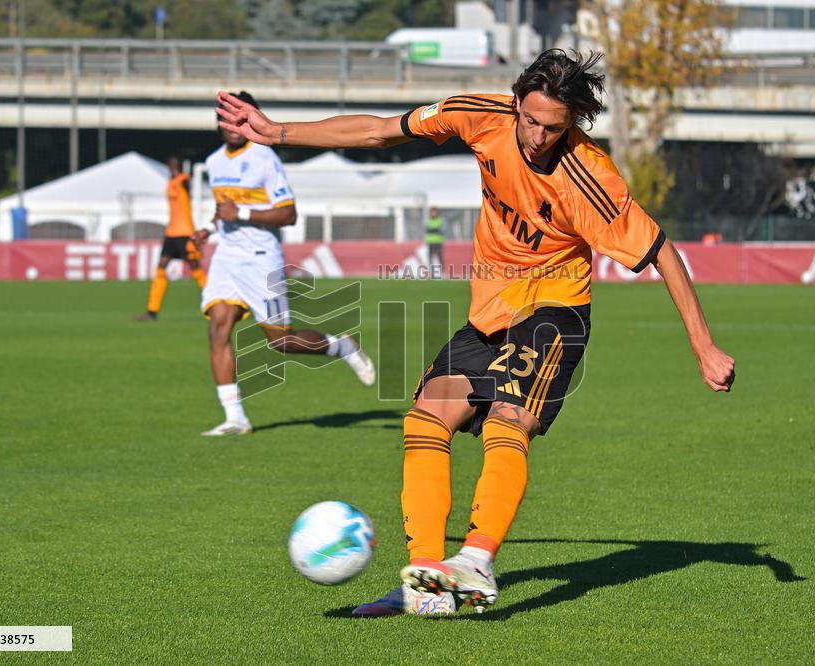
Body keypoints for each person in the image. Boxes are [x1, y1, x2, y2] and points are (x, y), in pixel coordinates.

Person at [216, 50, 735, 613]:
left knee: (510, 418)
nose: (537, 136)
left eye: (553, 128)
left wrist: (703, 345)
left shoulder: (590, 180)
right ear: (515, 103)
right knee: (426, 417)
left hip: (553, 309)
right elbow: (381, 131)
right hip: (489, 312)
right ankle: (427, 577)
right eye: (530, 120)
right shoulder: (480, 115)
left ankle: (477, 560)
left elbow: (663, 253)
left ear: (574, 124)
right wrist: (279, 131)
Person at [194, 91, 376, 437]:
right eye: (227, 118)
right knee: (218, 326)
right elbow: (224, 208)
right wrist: (208, 228)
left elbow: (289, 214)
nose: (234, 125)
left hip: (261, 259)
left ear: (250, 118)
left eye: (240, 118)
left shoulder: (264, 158)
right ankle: (236, 418)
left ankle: (341, 346)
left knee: (280, 341)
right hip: (227, 256)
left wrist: (243, 212)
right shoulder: (214, 162)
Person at [136, 156, 207, 321]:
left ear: (180, 165)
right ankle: (152, 311)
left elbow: (187, 185)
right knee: (160, 268)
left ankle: (216, 306)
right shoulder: (169, 183)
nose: (173, 166)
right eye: (171, 163)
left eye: (176, 164)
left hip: (185, 233)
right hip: (171, 233)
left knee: (196, 269)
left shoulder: (183, 179)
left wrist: (182, 176)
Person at [425, 207, 444, 277]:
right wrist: (435, 229)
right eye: (431, 212)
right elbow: (426, 229)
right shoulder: (428, 220)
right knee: (430, 258)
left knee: (440, 257)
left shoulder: (440, 220)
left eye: (434, 212)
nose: (432, 213)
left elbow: (441, 230)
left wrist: (432, 230)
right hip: (430, 242)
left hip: (438, 241)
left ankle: (442, 272)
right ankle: (431, 273)